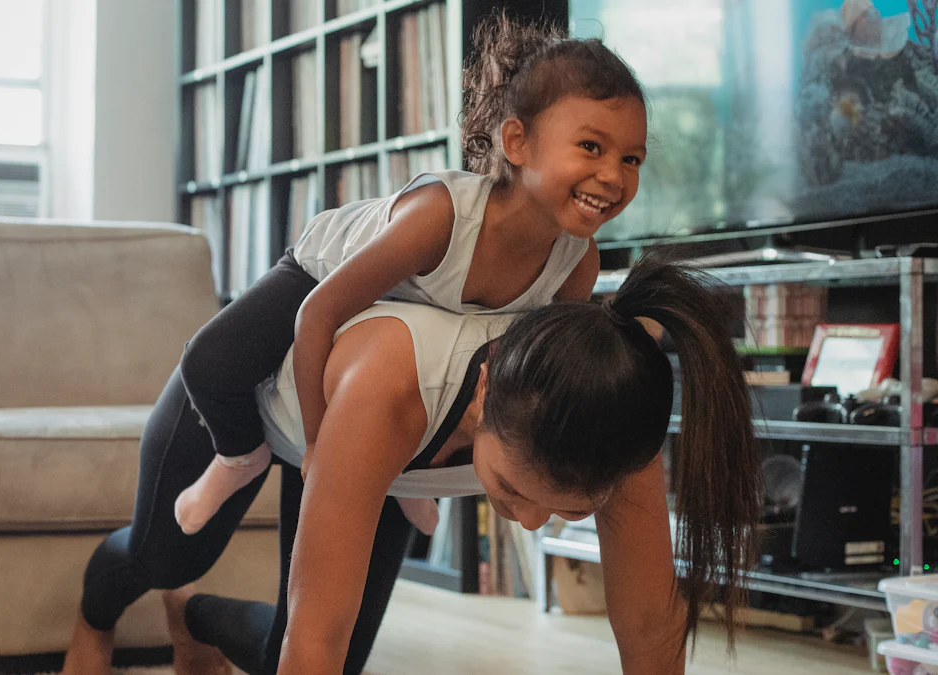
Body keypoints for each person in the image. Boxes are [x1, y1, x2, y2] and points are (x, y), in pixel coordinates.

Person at [60, 253, 761, 675]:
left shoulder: (610, 413)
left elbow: (646, 623)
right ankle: (96, 617)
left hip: (373, 461)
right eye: (514, 489)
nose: (538, 520)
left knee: (330, 658)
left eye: (571, 508)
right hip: (241, 407)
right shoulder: (394, 388)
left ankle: (194, 619)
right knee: (164, 555)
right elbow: (316, 634)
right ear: (484, 394)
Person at [172, 11, 651, 537]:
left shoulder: (576, 262)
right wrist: (317, 447)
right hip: (318, 273)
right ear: (517, 143)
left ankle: (404, 489)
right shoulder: (441, 218)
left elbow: (530, 377)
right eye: (591, 147)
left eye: (632, 158)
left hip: (418, 324)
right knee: (207, 363)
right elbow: (317, 314)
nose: (613, 175)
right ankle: (238, 459)